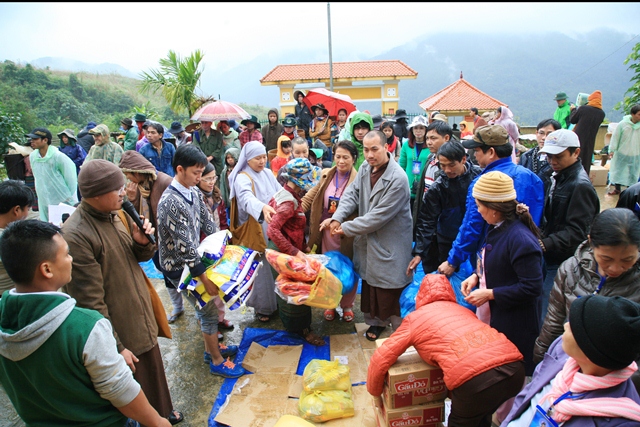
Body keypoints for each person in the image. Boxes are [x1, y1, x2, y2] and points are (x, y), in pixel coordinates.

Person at [0, 220, 172, 427]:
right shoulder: (85, 327)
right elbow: (121, 390)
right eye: (66, 254)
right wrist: (157, 421)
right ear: (47, 269)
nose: (71, 259)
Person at [62, 159, 183, 424]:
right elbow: (89, 302)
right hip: (118, 326)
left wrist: (142, 243)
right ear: (94, 194)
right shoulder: (77, 234)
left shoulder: (117, 214)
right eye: (116, 188)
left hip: (137, 310)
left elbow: (136, 256)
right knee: (131, 386)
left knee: (153, 371)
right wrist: (116, 346)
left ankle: (162, 414)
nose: (124, 192)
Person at [368, 274, 525, 427]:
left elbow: (383, 356)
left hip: (475, 380)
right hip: (515, 370)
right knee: (482, 411)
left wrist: (375, 393)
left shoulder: (415, 318)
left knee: (469, 414)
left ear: (420, 295)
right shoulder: (464, 310)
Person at [157, 145, 244, 379]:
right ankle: (216, 360)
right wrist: (204, 279)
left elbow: (208, 224)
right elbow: (185, 248)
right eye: (196, 173)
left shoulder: (193, 192)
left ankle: (211, 349)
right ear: (180, 170)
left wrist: (224, 247)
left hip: (193, 261)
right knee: (207, 311)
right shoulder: (170, 202)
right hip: (179, 268)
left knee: (208, 308)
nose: (200, 177)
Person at [503, 295, 640, 426]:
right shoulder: (560, 350)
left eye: (574, 327)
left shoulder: (622, 421)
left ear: (589, 352)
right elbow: (528, 394)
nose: (565, 326)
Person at [328, 130, 413, 341]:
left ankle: (398, 330)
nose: (369, 155)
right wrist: (338, 217)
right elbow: (352, 194)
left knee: (390, 289)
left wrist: (346, 227)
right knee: (371, 285)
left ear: (386, 147)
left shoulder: (398, 178)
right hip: (369, 240)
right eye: (366, 150)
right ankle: (376, 323)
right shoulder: (366, 168)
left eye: (374, 149)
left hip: (390, 240)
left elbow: (378, 217)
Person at [534, 208, 640, 376]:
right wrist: (541, 360)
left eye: (628, 260)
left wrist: (624, 380)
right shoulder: (570, 270)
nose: (615, 268)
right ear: (591, 242)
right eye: (606, 259)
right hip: (568, 366)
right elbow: (554, 320)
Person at [461, 171, 543, 376]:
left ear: (494, 209)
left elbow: (531, 287)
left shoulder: (521, 240)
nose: (478, 210)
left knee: (509, 376)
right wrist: (476, 275)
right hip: (495, 316)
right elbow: (492, 259)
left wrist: (491, 294)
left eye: (479, 205)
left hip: (514, 324)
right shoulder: (496, 228)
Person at [438, 125, 544, 278]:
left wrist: (452, 261)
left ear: (491, 152)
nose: (475, 155)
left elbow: (472, 226)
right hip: (526, 256)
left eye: (477, 150)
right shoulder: (532, 178)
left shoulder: (484, 183)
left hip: (493, 261)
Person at [538, 129, 600, 324]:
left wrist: (545, 243)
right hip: (550, 255)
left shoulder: (580, 185)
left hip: (562, 259)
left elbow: (578, 231)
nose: (552, 161)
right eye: (549, 156)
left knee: (549, 312)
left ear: (576, 152)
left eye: (558, 156)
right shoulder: (556, 176)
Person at [266, 158, 324, 345]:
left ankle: (295, 327)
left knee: (292, 290)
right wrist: (294, 251)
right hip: (283, 253)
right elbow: (273, 230)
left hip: (288, 249)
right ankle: (302, 330)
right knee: (296, 292)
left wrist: (303, 246)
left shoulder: (287, 194)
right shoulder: (288, 203)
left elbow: (291, 227)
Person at [302, 140, 359, 323]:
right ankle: (330, 304)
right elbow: (311, 196)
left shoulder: (359, 180)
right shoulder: (326, 174)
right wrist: (296, 210)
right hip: (325, 232)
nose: (341, 161)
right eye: (338, 156)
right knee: (328, 268)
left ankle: (347, 305)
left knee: (348, 268)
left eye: (345, 157)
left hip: (346, 233)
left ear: (354, 159)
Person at [118, 150, 178, 323]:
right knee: (163, 271)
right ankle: (178, 306)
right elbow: (138, 215)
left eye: (129, 175)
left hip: (169, 238)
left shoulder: (164, 182)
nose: (128, 179)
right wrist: (133, 199)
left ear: (137, 172)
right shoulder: (138, 187)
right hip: (152, 238)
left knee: (176, 273)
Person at [409, 141, 482, 276]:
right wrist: (419, 252)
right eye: (443, 166)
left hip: (477, 237)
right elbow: (426, 221)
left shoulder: (479, 177)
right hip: (448, 241)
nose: (447, 170)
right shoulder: (438, 188)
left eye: (451, 165)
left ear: (463, 159)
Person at [228, 141, 281, 323]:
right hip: (255, 230)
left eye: (264, 157)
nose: (262, 161)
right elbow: (246, 199)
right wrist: (262, 207)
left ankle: (277, 302)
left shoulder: (267, 173)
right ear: (248, 159)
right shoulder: (242, 178)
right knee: (260, 270)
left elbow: (280, 192)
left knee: (273, 264)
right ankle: (262, 308)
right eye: (257, 158)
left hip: (271, 227)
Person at [27, 127, 78, 222]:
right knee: (47, 224)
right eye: (31, 139)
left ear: (45, 140)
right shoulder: (33, 156)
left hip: (61, 198)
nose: (32, 141)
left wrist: (67, 196)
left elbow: (70, 179)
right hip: (44, 198)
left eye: (35, 139)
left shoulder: (58, 157)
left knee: (63, 223)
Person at [0, 180, 34, 296]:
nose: (28, 214)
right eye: (27, 209)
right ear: (17, 210)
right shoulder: (12, 240)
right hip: (8, 295)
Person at [519, 119, 561, 193]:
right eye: (541, 133)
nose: (544, 137)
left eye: (549, 134)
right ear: (536, 133)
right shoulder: (526, 156)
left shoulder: (559, 158)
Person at [569, 90, 606, 174]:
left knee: (576, 157)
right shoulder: (602, 114)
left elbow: (573, 120)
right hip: (590, 141)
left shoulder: (584, 109)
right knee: (586, 159)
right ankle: (584, 176)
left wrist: (573, 110)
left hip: (578, 138)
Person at [399, 115, 431, 211]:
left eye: (421, 128)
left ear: (426, 130)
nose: (418, 131)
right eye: (415, 128)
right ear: (412, 130)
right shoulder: (406, 145)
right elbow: (402, 166)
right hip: (408, 186)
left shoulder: (430, 145)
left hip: (425, 187)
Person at [607, 104, 640, 195]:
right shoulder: (623, 124)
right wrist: (612, 150)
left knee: (633, 173)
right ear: (633, 114)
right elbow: (615, 137)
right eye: (639, 114)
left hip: (635, 154)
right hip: (622, 153)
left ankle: (631, 191)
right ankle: (617, 189)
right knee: (618, 171)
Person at [197, 162, 229, 233]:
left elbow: (223, 223)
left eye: (214, 178)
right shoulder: (196, 199)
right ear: (198, 179)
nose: (212, 182)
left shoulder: (217, 196)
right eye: (208, 179)